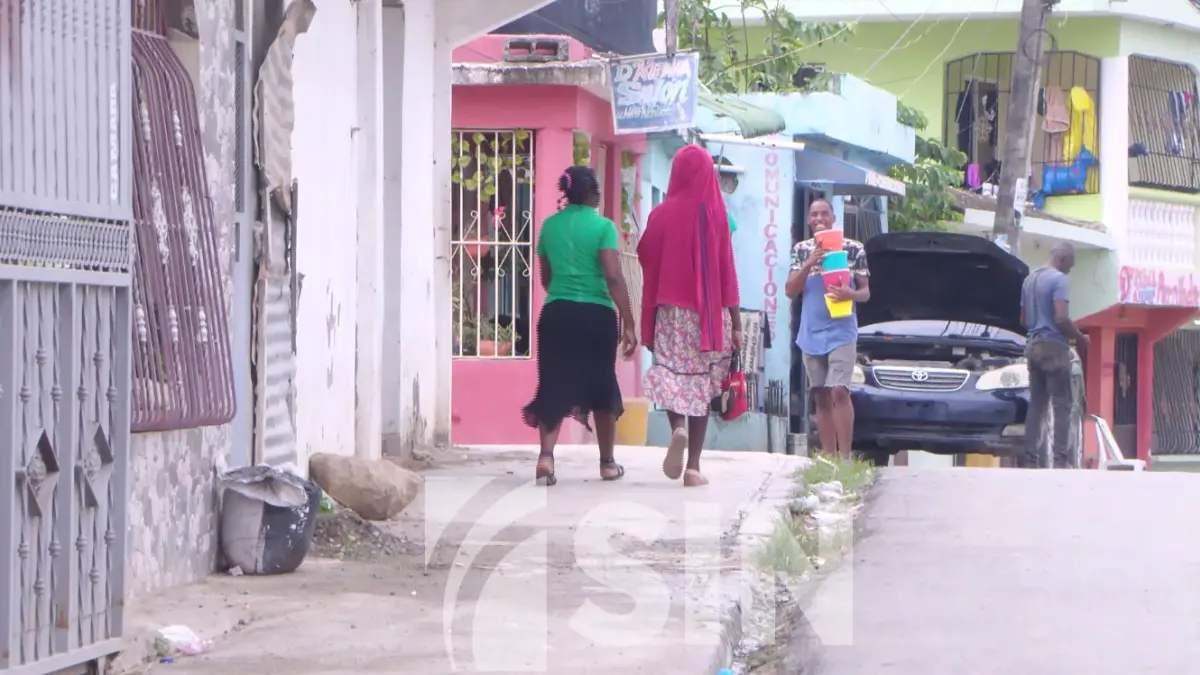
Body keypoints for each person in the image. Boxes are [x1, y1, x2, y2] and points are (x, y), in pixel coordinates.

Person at [522, 166, 639, 486]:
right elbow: (613, 276)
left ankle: (546, 458)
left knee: (553, 384)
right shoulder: (603, 227)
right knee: (602, 386)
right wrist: (629, 322)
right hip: (596, 316)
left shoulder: (549, 227)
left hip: (556, 315)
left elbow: (546, 277)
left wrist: (565, 294)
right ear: (591, 194)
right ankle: (607, 463)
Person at [639, 145, 742, 487]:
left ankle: (676, 428)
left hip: (671, 311)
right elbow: (727, 271)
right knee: (701, 384)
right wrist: (737, 324)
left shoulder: (661, 214)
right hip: (710, 316)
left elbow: (644, 254)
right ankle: (694, 468)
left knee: (672, 375)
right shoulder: (717, 216)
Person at [785, 199, 870, 460]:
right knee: (820, 394)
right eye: (814, 214)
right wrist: (809, 263)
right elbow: (790, 290)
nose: (819, 218)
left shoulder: (853, 249)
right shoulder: (801, 251)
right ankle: (828, 457)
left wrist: (850, 293)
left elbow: (865, 293)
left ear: (833, 217)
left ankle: (845, 458)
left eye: (824, 213)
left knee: (839, 390)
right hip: (811, 333)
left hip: (842, 331)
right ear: (809, 220)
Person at [1020, 242, 1088, 469]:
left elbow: (1023, 320)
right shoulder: (1058, 280)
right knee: (1062, 405)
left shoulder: (1029, 279)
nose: (1069, 269)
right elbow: (1061, 318)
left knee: (1036, 404)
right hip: (1054, 348)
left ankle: (1030, 460)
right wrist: (1080, 338)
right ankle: (1061, 461)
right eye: (1070, 264)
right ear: (1063, 259)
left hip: (1033, 347)